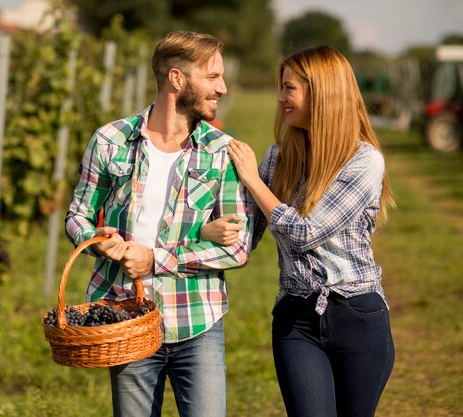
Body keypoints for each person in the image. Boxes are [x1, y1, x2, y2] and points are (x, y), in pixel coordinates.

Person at [65, 31, 254, 417]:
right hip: (128, 320)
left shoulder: (222, 152)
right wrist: (101, 242)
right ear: (177, 79)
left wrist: (154, 259)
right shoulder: (110, 141)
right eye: (212, 76)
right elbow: (78, 217)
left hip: (198, 323)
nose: (223, 86)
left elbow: (236, 247)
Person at [202, 45, 396, 417]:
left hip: (358, 316)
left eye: (289, 88)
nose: (280, 97)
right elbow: (249, 233)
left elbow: (306, 232)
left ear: (320, 93)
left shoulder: (365, 160)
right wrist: (210, 232)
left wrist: (253, 181)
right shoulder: (279, 156)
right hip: (296, 319)